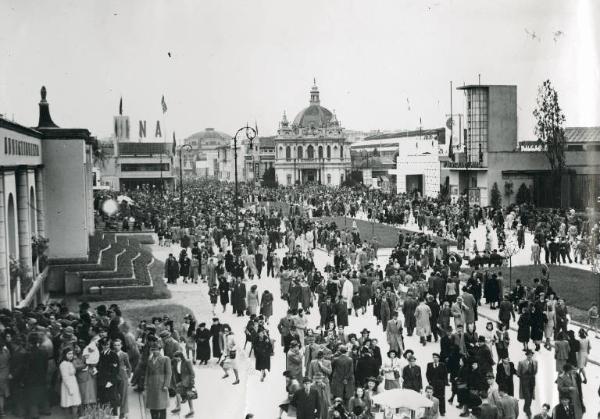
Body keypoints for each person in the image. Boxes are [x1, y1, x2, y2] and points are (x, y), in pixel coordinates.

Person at [145, 341, 172, 419]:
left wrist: (166, 385)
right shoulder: (149, 360)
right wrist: (145, 384)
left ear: (160, 350)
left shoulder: (165, 359)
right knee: (152, 407)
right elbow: (147, 373)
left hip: (161, 386)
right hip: (151, 386)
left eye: (156, 349)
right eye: (153, 349)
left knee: (162, 407)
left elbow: (168, 373)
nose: (154, 351)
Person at [97, 338, 121, 417]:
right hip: (101, 380)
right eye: (104, 345)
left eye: (107, 344)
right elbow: (98, 367)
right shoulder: (100, 354)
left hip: (110, 381)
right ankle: (104, 416)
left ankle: (114, 416)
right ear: (101, 345)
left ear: (109, 345)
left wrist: (111, 381)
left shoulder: (113, 355)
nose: (105, 346)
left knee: (112, 399)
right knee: (102, 399)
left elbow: (115, 369)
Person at [59, 348, 82, 419]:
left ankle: (74, 417)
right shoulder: (63, 364)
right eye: (69, 354)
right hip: (68, 386)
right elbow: (65, 377)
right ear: (64, 355)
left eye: (72, 353)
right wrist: (70, 389)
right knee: (68, 403)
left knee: (75, 403)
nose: (71, 355)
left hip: (73, 384)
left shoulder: (70, 363)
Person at [171, 351, 195, 418]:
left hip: (187, 381)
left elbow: (192, 373)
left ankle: (191, 410)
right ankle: (178, 407)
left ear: (181, 356)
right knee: (177, 392)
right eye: (176, 358)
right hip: (180, 381)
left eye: (178, 358)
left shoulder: (187, 362)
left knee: (189, 395)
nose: (177, 359)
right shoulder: (176, 363)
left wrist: (192, 382)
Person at [113, 339, 132, 419]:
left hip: (123, 376)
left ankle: (123, 413)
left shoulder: (124, 354)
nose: (116, 346)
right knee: (115, 395)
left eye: (118, 345)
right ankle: (115, 413)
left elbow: (129, 367)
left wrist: (127, 376)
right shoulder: (112, 354)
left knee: (124, 395)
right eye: (115, 345)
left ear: (121, 346)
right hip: (114, 377)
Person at [516, 350, 537, 418]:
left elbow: (535, 371)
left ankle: (525, 407)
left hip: (532, 381)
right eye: (528, 355)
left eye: (531, 355)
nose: (530, 356)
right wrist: (523, 378)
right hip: (525, 382)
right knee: (527, 396)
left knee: (530, 396)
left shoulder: (535, 362)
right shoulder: (521, 362)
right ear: (526, 355)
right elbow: (518, 373)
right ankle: (528, 412)